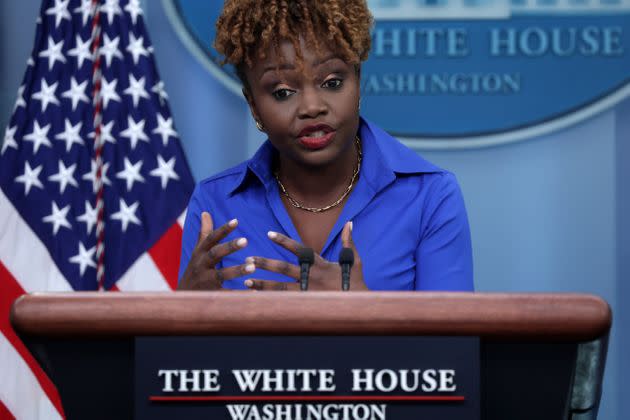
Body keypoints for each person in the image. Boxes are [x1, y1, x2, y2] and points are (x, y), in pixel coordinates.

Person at [177, 0, 473, 291]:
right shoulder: (214, 203)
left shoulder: (430, 196)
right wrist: (185, 313)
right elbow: (183, 340)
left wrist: (364, 313)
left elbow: (455, 341)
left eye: (331, 83)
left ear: (358, 80)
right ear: (254, 105)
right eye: (282, 92)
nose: (311, 107)